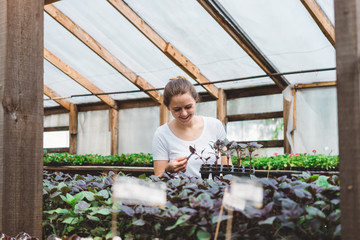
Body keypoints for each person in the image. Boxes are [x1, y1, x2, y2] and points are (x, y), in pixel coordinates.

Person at [152, 76, 230, 177]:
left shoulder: (215, 126)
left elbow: (227, 167)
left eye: (188, 107)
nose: (184, 113)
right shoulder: (162, 134)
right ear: (168, 107)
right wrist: (168, 171)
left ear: (195, 100)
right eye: (177, 109)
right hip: (180, 192)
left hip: (215, 191)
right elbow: (158, 177)